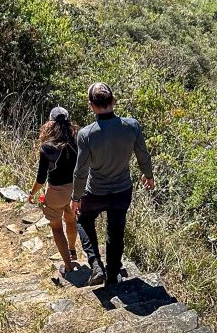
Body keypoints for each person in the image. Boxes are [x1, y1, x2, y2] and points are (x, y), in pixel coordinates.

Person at [72, 82, 155, 286]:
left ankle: (96, 265)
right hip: (122, 190)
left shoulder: (86, 134)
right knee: (116, 230)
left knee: (83, 220)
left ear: (91, 105)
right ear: (114, 101)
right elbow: (143, 155)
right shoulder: (131, 126)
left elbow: (81, 171)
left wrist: (75, 198)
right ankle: (112, 273)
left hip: (95, 192)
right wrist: (148, 175)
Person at [28, 106, 80, 276]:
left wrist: (32, 193)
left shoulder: (47, 147)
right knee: (71, 220)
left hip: (56, 191)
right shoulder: (77, 141)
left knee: (56, 227)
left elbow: (41, 178)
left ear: (50, 122)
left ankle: (68, 266)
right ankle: (72, 251)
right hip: (75, 190)